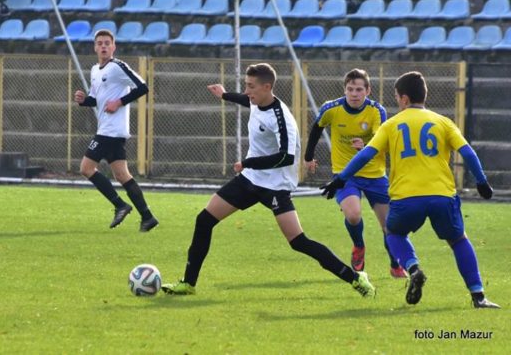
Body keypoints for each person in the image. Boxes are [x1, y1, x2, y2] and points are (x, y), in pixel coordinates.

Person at [161, 63, 375, 297]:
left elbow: (286, 157)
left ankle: (356, 278)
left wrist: (248, 162)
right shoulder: (256, 101)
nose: (247, 91)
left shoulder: (281, 118)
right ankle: (188, 284)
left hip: (275, 186)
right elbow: (246, 101)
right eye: (246, 85)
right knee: (204, 220)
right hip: (249, 180)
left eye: (251, 86)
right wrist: (224, 95)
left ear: (267, 87)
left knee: (298, 242)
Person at [321, 71, 500, 309]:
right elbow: (467, 152)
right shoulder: (443, 122)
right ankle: (478, 295)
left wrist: (340, 179)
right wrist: (481, 181)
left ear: (404, 99)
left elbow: (366, 155)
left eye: (397, 97)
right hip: (442, 195)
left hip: (406, 198)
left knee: (394, 234)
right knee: (458, 240)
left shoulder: (391, 125)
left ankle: (413, 269)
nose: (397, 101)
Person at [304, 69, 405, 278]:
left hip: (375, 175)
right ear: (345, 90)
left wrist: (366, 146)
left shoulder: (376, 111)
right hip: (345, 174)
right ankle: (359, 246)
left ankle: (395, 264)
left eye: (359, 89)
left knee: (389, 225)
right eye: (350, 89)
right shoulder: (331, 108)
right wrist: (308, 157)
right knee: (353, 215)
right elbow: (316, 128)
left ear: (368, 90)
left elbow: (381, 141)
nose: (354, 94)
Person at [74, 30, 159, 232]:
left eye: (107, 43)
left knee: (86, 168)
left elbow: (143, 87)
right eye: (100, 43)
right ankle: (147, 217)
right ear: (95, 47)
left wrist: (120, 102)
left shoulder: (118, 66)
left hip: (111, 131)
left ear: (113, 47)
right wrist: (83, 101)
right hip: (108, 130)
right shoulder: (95, 70)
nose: (103, 46)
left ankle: (120, 205)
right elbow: (96, 100)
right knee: (122, 175)